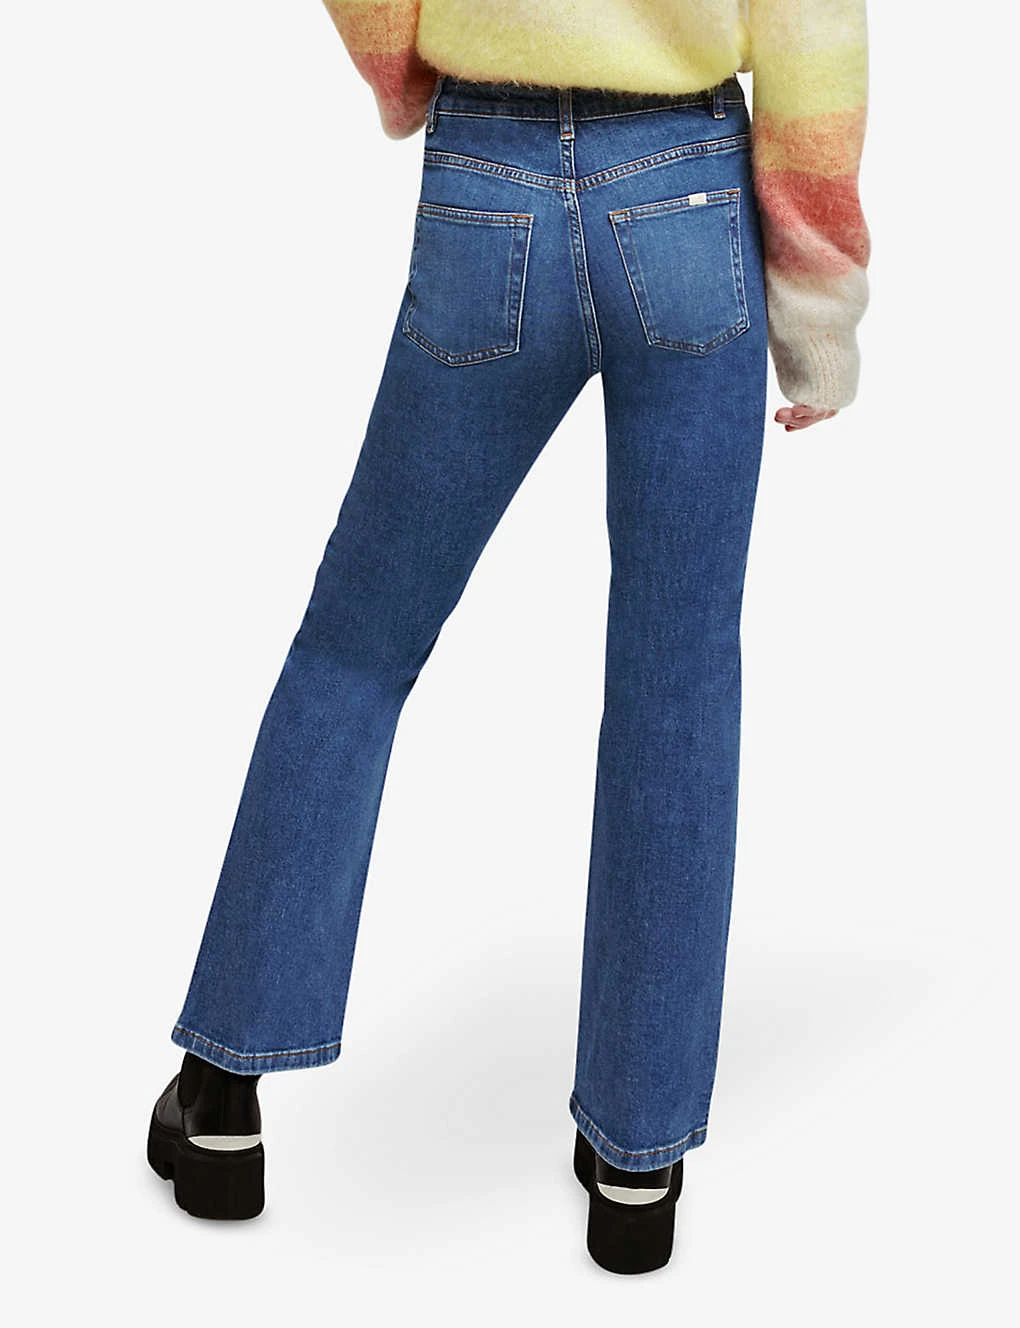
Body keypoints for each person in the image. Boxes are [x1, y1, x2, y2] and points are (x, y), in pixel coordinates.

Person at [145, 0, 871, 1275]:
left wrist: (407, 66)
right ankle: (637, 1157)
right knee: (678, 685)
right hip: (690, 200)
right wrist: (818, 309)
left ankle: (222, 1097)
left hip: (492, 180)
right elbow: (813, 22)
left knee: (356, 647)